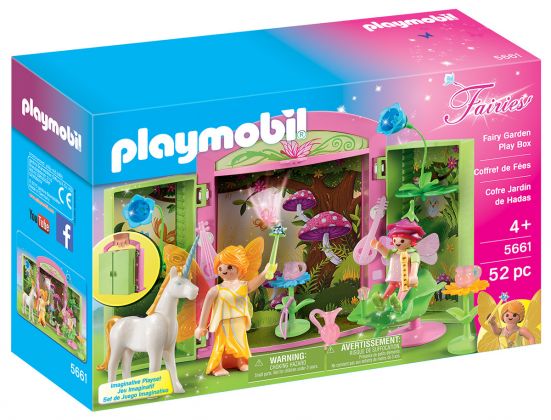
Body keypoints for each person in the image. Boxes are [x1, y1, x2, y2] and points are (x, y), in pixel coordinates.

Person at [195, 238, 268, 376]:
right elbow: (206, 306)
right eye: (220, 267)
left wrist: (265, 273)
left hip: (239, 320)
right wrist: (201, 326)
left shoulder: (243, 286)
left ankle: (241, 361)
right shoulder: (216, 290)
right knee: (221, 344)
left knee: (240, 342)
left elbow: (255, 283)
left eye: (229, 267)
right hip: (223, 323)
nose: (224, 270)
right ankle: (217, 366)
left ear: (240, 268)